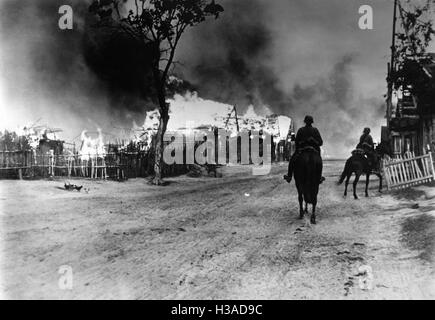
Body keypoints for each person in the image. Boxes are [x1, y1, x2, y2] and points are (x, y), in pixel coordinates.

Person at [284, 115, 325, 184]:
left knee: (292, 160)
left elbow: (297, 142)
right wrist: (314, 141)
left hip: (302, 150)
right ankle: (319, 177)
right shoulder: (315, 130)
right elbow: (320, 142)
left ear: (305, 122)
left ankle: (289, 176)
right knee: (319, 162)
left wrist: (303, 142)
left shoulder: (301, 130)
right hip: (313, 151)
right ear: (312, 122)